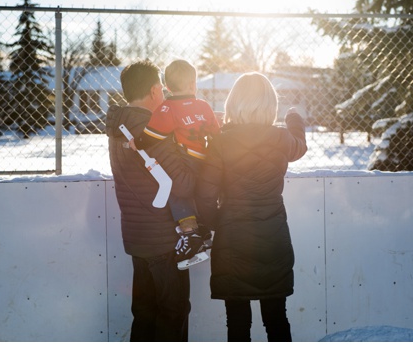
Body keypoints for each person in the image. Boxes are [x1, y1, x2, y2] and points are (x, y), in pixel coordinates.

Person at [195, 72, 307, 342]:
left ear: (234, 103)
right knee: (277, 318)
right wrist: (294, 119)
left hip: (233, 240)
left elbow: (205, 195)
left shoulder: (221, 142)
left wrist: (213, 225)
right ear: (270, 105)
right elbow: (299, 147)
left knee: (237, 322)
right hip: (273, 238)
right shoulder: (280, 138)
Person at [105, 59, 199, 341]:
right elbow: (182, 183)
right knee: (174, 312)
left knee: (145, 314)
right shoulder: (151, 129)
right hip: (164, 240)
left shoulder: (118, 127)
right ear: (156, 90)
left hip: (137, 237)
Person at [130, 59, 219, 257]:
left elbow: (154, 134)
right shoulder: (203, 106)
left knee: (176, 190)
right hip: (205, 159)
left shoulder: (167, 107)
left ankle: (190, 234)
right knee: (198, 192)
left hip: (185, 159)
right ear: (193, 85)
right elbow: (216, 134)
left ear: (167, 87)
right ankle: (203, 232)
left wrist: (138, 142)